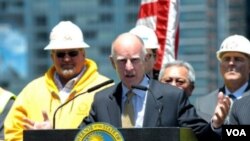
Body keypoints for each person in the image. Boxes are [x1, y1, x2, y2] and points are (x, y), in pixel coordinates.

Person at [81, 32, 231, 140]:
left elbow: (200, 135)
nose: (128, 67)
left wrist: (216, 124)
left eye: (134, 60)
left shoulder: (172, 97)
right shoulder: (102, 100)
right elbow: (77, 135)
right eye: (121, 61)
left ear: (145, 59)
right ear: (112, 62)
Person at [4, 21, 111, 141]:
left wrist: (53, 136)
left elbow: (113, 134)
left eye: (72, 53)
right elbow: (12, 135)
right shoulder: (31, 92)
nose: (66, 59)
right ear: (52, 57)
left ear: (83, 54)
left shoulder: (105, 89)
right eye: (60, 54)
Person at [194, 34, 250, 122]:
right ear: (220, 66)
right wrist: (216, 127)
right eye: (227, 59)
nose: (231, 63)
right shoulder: (202, 105)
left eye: (238, 59)